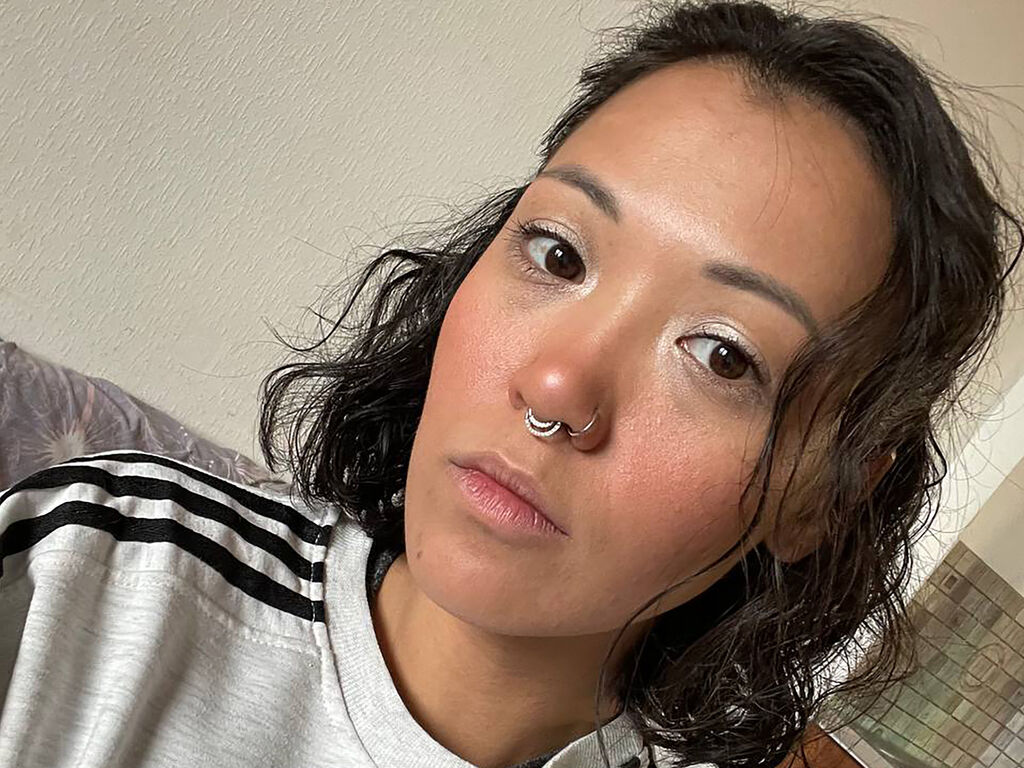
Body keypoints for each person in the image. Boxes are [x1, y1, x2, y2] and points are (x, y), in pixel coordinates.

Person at [1, 2, 1020, 767]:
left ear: (823, 497)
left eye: (721, 355)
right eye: (558, 254)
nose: (557, 385)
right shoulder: (88, 579)